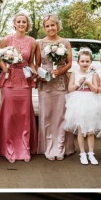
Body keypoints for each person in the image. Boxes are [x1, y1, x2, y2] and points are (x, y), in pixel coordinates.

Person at [0, 12, 38, 163]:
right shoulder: (6, 39)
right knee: (9, 115)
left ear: (27, 25)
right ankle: (8, 148)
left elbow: (32, 62)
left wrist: (34, 71)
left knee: (24, 115)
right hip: (9, 80)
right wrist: (5, 68)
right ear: (14, 23)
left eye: (24, 22)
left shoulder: (32, 41)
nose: (22, 24)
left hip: (24, 81)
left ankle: (24, 148)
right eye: (19, 22)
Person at [34, 13, 74, 161]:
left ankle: (62, 147)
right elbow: (37, 64)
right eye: (47, 25)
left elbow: (69, 62)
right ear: (44, 28)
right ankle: (48, 147)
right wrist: (40, 74)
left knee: (61, 115)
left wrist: (61, 70)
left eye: (53, 25)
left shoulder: (65, 42)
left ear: (58, 26)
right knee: (47, 115)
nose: (51, 28)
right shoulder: (40, 43)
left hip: (61, 82)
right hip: (45, 83)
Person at [64, 47, 101, 165]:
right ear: (78, 62)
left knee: (90, 131)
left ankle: (91, 153)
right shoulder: (74, 73)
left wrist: (89, 83)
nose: (85, 63)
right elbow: (70, 89)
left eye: (87, 61)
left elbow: (96, 90)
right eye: (82, 61)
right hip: (78, 101)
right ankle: (82, 153)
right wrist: (78, 82)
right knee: (81, 130)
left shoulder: (93, 74)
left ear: (91, 62)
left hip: (91, 101)